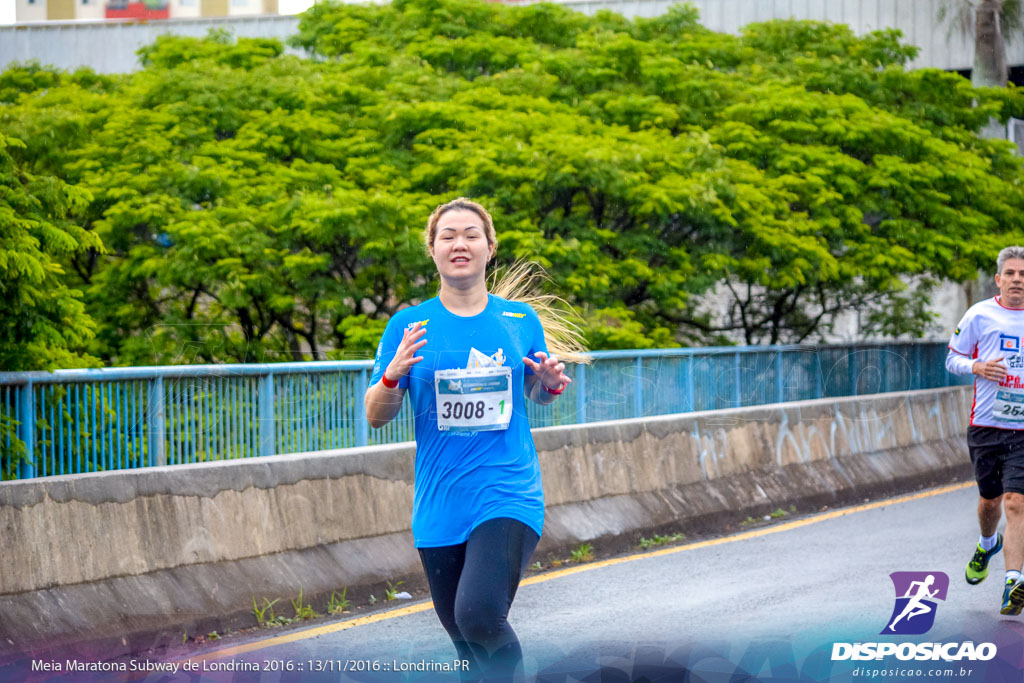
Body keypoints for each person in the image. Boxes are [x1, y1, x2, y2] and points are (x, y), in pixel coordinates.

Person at [364, 198, 584, 680]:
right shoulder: (408, 326)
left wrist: (548, 383)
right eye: (448, 235)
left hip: (508, 493)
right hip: (440, 502)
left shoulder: (519, 320)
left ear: (489, 248)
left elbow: (539, 392)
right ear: (433, 249)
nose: (459, 243)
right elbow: (376, 416)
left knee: (480, 616)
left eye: (470, 234)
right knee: (465, 641)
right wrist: (392, 376)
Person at [946, 245, 1024, 615]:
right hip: (985, 426)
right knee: (990, 502)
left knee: (1016, 502)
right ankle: (986, 543)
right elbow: (952, 359)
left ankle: (1013, 584)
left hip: (1022, 430)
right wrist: (976, 366)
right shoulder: (980, 314)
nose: (1017, 280)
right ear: (998, 279)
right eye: (1010, 273)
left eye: (1023, 275)